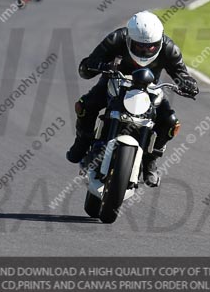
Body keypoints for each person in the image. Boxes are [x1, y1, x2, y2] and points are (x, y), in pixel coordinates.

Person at [66, 11, 199, 187]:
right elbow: (86, 67)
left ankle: (150, 162)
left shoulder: (168, 47)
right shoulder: (116, 38)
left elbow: (181, 73)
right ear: (129, 40)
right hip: (115, 81)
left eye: (150, 47)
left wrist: (188, 84)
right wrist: (100, 66)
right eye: (139, 46)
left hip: (150, 89)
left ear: (158, 42)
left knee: (170, 122)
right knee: (85, 106)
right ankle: (82, 142)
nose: (145, 50)